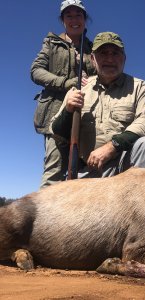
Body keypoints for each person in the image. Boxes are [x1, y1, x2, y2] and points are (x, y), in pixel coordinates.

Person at [50, 31, 145, 178]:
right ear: (92, 59)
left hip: (126, 165)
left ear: (124, 58)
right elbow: (57, 131)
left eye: (116, 53)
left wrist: (112, 147)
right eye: (103, 53)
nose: (110, 58)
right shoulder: (77, 90)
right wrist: (68, 110)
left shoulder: (139, 87)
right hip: (91, 169)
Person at [31, 0, 96, 188]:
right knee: (54, 173)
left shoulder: (93, 48)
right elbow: (36, 71)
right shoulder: (51, 43)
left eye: (78, 15)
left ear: (85, 19)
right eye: (69, 16)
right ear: (63, 20)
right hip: (55, 115)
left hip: (86, 116)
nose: (74, 20)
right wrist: (67, 83)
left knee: (87, 173)